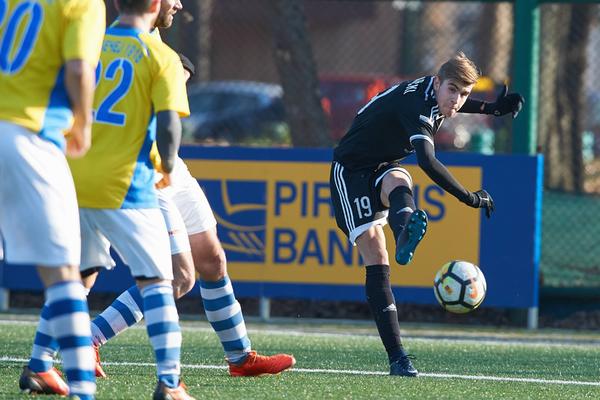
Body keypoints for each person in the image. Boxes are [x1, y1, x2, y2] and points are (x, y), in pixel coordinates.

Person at [87, 0, 295, 379]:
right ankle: (90, 339)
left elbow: (166, 66)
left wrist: (181, 67)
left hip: (169, 165)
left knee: (212, 259)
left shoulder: (147, 38)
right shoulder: (119, 42)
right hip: (146, 169)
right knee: (179, 276)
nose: (180, 4)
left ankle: (240, 357)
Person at [329, 52, 524, 377]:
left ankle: (404, 233)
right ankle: (397, 357)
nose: (457, 100)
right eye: (452, 90)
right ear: (437, 84)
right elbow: (428, 162)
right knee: (377, 256)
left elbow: (453, 104)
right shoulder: (418, 107)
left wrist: (491, 108)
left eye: (464, 93)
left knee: (398, 180)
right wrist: (469, 197)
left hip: (381, 165)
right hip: (350, 172)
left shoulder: (433, 94)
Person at [45, 0, 192, 398]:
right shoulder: (160, 55)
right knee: (160, 282)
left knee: (74, 279)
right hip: (127, 184)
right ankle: (169, 383)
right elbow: (169, 127)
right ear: (155, 4)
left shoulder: (89, 42)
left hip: (76, 178)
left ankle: (42, 365)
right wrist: (167, 166)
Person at [0, 1, 105, 399]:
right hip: (29, 138)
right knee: (65, 276)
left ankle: (43, 369)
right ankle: (82, 391)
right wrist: (84, 123)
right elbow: (78, 68)